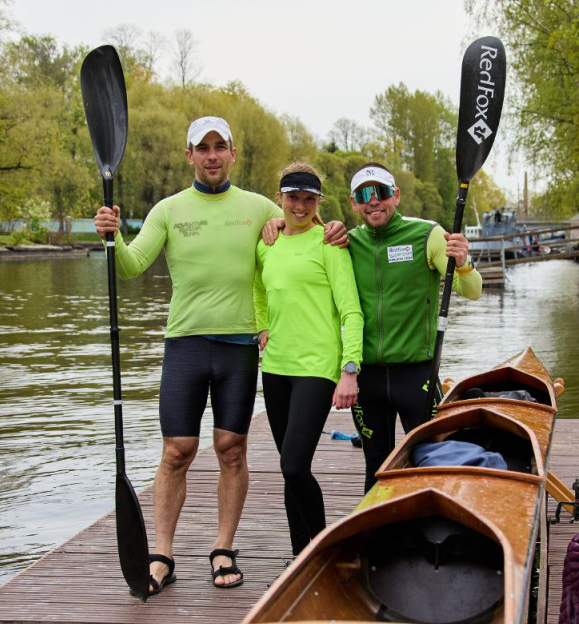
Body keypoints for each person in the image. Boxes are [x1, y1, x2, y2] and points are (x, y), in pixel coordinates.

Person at [93, 116, 286, 595]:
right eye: (203, 148)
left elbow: (305, 232)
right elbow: (132, 266)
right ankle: (162, 554)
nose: (212, 155)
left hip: (239, 347)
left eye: (220, 146)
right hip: (186, 345)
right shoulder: (169, 209)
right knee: (177, 451)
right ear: (190, 156)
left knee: (231, 449)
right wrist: (112, 237)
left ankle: (223, 548)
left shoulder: (260, 207)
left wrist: (318, 226)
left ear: (233, 153)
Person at [346, 163, 483, 492]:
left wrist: (463, 263)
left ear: (396, 195)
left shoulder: (427, 235)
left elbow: (472, 291)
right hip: (367, 378)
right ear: (353, 203)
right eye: (364, 195)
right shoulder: (347, 243)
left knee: (432, 461)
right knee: (376, 464)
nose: (373, 201)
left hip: (417, 375)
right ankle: (376, 524)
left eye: (381, 192)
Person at [253, 162, 363, 555]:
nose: (299, 206)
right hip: (275, 368)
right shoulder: (266, 243)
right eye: (293, 197)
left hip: (316, 369)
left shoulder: (329, 244)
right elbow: (259, 289)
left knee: (294, 465)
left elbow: (351, 312)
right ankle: (300, 555)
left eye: (308, 199)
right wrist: (262, 325)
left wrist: (349, 368)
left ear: (318, 202)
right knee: (290, 468)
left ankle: (321, 552)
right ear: (280, 198)